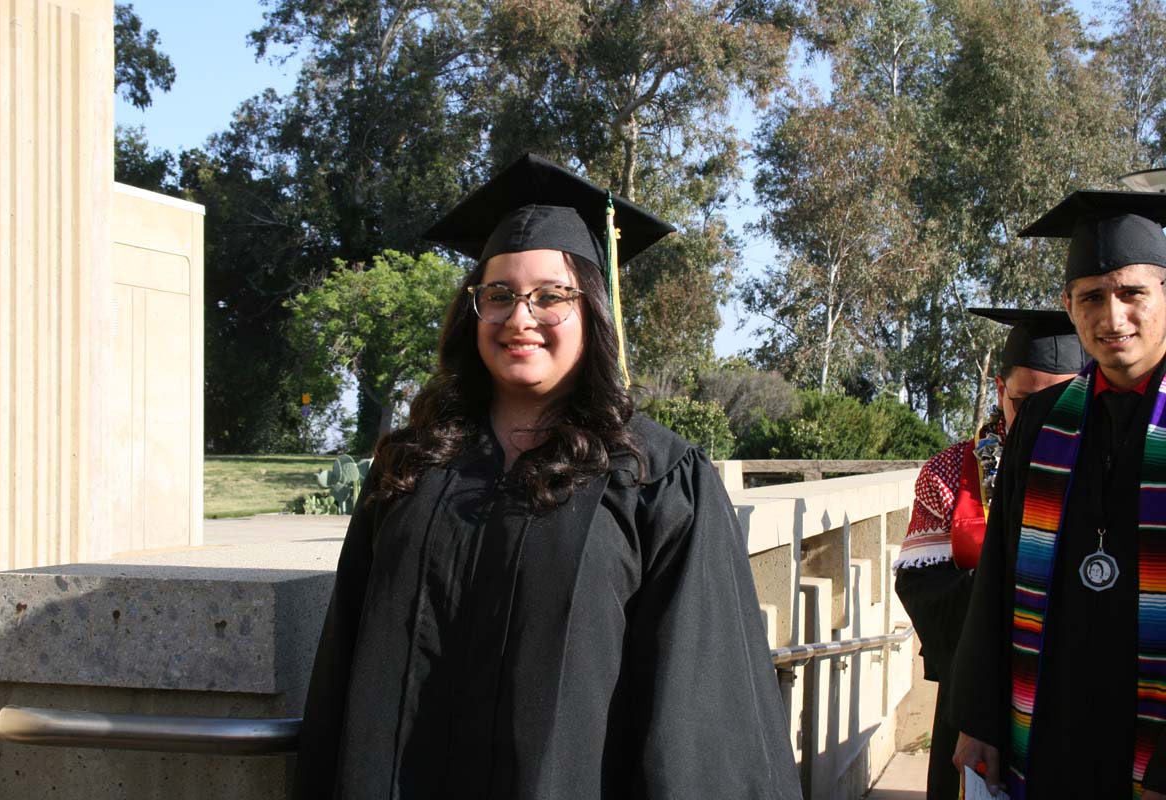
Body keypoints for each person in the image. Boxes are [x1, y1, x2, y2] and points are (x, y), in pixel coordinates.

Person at [291, 153, 803, 799]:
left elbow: (698, 710)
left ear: (590, 308)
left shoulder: (656, 476)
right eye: (498, 295)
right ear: (472, 310)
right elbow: (344, 662)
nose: (519, 317)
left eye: (550, 296)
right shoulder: (412, 464)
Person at [949, 189, 1166, 799]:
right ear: (1069, 308)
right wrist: (980, 716)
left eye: (1132, 294)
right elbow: (998, 574)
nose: (1112, 317)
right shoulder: (1044, 421)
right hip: (1050, 720)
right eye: (1091, 297)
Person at [893, 307, 1084, 800]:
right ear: (1000, 389)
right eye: (1025, 401)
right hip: (977, 691)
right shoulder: (951, 469)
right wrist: (1011, 591)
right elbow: (922, 587)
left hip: (1075, 689)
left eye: (1061, 401)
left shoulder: (1102, 463)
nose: (1040, 418)